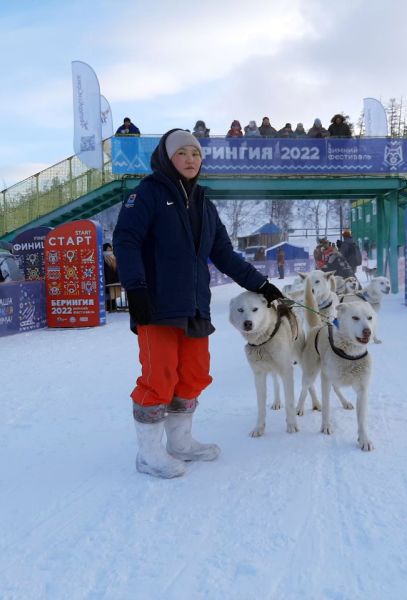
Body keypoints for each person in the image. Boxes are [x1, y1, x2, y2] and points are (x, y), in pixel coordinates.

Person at [113, 128, 284, 479]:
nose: (191, 159)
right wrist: (136, 289)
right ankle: (148, 455)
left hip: (194, 306)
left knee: (193, 375)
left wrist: (263, 285)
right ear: (166, 157)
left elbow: (224, 254)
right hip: (157, 305)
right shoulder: (147, 194)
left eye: (196, 153)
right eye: (182, 153)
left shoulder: (205, 205)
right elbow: (126, 241)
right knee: (158, 377)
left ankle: (180, 443)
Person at [102, 242, 120, 312]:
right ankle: (108, 307)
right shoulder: (102, 259)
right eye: (107, 250)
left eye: (110, 250)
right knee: (107, 296)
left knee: (113, 295)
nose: (109, 252)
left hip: (113, 280)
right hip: (106, 280)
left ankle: (113, 307)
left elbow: (116, 270)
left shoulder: (114, 259)